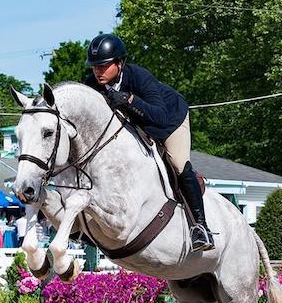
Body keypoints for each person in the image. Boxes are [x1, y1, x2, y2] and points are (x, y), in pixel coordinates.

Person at [84, 33, 214, 252]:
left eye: (104, 66)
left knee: (179, 165)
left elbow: (160, 115)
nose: (98, 71)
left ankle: (200, 228)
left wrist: (129, 100)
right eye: (95, 66)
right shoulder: (91, 84)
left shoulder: (139, 77)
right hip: (137, 126)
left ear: (119, 63)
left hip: (170, 121)